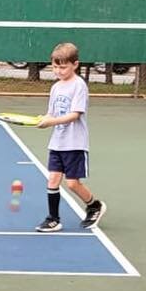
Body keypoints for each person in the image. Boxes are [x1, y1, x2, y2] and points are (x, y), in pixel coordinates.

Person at [35, 41, 105, 233]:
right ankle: (53, 219)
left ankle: (94, 205)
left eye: (63, 67)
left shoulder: (79, 86)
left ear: (75, 64)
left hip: (75, 143)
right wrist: (44, 119)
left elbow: (75, 114)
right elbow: (52, 113)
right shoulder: (56, 87)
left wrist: (52, 122)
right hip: (57, 142)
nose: (58, 71)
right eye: (55, 66)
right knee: (53, 180)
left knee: (72, 183)